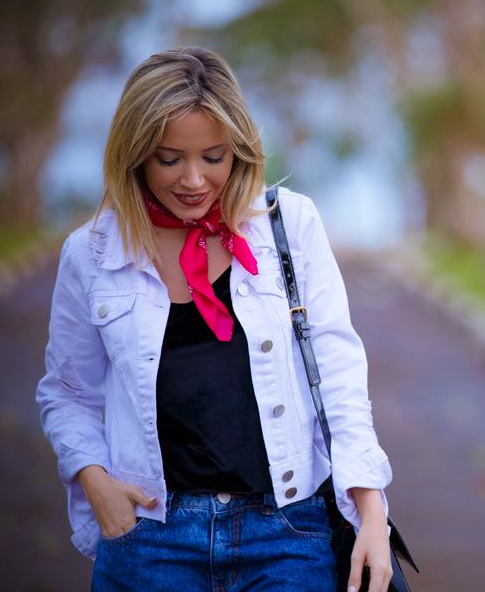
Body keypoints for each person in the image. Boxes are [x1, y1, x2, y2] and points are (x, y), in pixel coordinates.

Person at [35, 46, 394, 591]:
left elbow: (340, 376)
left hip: (286, 535)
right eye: (169, 158)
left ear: (240, 152)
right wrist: (96, 483)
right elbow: (67, 392)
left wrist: (371, 512)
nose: (194, 180)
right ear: (135, 155)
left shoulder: (288, 226)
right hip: (152, 540)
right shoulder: (91, 255)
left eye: (214, 157)